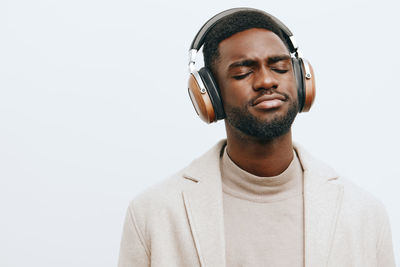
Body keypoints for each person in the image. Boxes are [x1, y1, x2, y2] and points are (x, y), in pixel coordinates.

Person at [118, 8, 395, 267]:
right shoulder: (153, 214)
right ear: (210, 94)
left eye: (280, 68)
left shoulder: (364, 214)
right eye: (243, 72)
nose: (266, 81)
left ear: (301, 79)